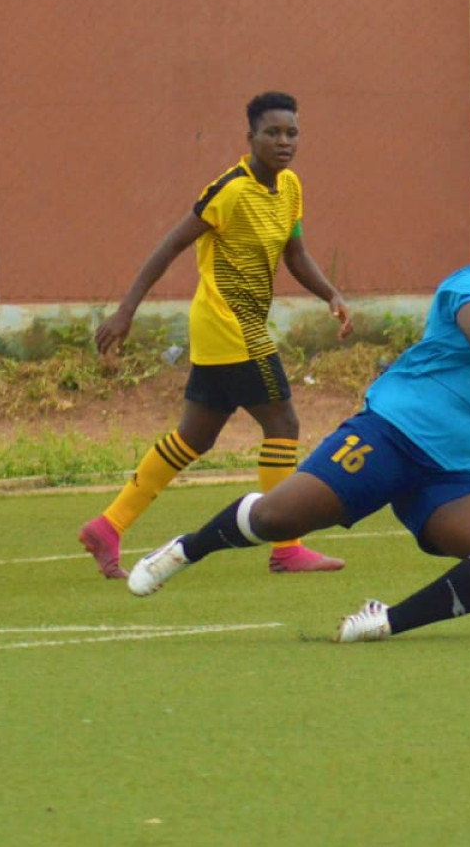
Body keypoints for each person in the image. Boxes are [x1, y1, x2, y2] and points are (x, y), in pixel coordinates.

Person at [124, 220, 470, 642]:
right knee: (275, 518)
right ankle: (185, 549)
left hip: (450, 476)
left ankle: (385, 621)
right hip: (388, 435)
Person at [79, 91, 353, 580]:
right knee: (284, 423)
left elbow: (295, 253)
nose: (284, 141)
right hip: (231, 326)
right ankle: (286, 547)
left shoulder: (289, 187)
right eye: (272, 132)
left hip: (226, 331)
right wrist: (125, 313)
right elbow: (168, 248)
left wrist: (330, 293)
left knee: (195, 436)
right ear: (250, 139)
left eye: (291, 132)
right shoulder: (229, 190)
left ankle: (108, 525)